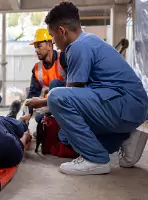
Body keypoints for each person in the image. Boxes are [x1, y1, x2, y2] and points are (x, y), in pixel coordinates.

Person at [26, 1, 148, 175]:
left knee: (56, 96)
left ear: (62, 31)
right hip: (131, 107)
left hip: (125, 104)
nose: (54, 41)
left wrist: (43, 103)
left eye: (53, 36)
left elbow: (68, 95)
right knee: (65, 136)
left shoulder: (77, 47)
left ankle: (96, 159)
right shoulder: (89, 41)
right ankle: (126, 137)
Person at [20, 28, 67, 124]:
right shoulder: (37, 68)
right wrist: (28, 113)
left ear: (50, 45)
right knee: (39, 119)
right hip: (49, 104)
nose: (36, 50)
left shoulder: (63, 58)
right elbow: (33, 93)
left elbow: (75, 84)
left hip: (66, 101)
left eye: (39, 46)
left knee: (54, 85)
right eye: (35, 47)